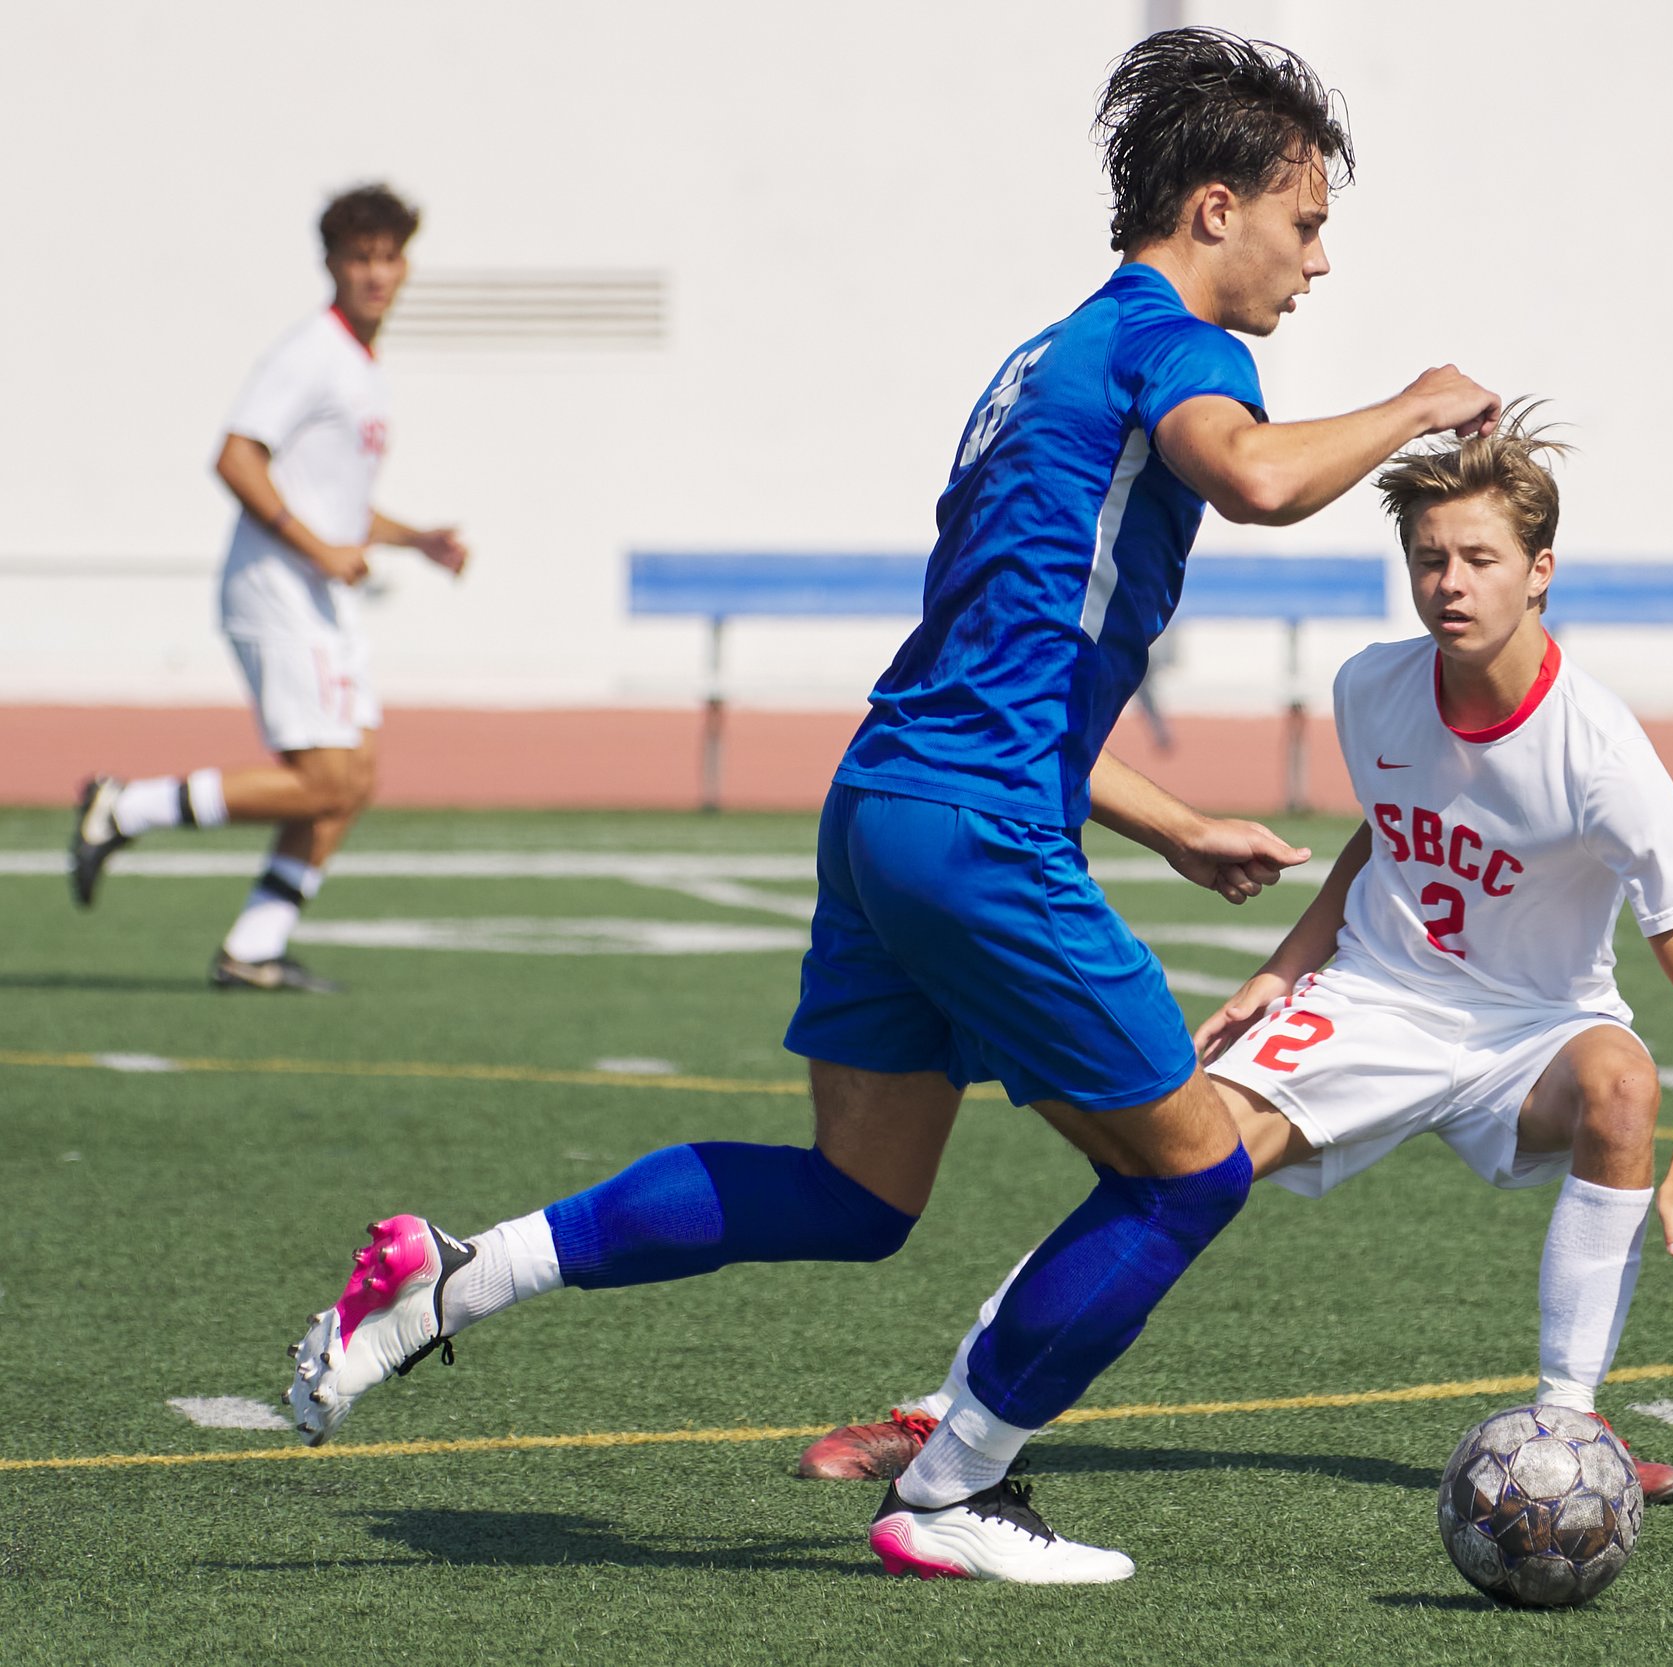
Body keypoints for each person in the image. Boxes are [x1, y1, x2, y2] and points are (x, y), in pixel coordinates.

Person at [276, 29, 1502, 1585]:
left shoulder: (1042, 358)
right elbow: (1253, 477)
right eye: (1305, 222)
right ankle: (957, 1483)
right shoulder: (1181, 349)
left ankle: (454, 1270)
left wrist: (1164, 820)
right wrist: (1412, 406)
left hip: (892, 801)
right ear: (1213, 208)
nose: (1316, 260)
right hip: (978, 826)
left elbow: (993, 649)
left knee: (860, 1192)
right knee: (1191, 1166)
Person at [802, 410, 1673, 1504]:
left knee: (1623, 1084)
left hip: (1532, 1030)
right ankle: (943, 1410)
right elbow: (1394, 828)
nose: (1450, 582)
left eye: (1480, 559)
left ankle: (1573, 1429)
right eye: (1428, 558)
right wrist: (1284, 966)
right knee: (1175, 1157)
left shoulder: (1603, 752)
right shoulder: (1374, 687)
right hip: (1377, 998)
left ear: (1538, 573)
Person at [68, 184, 469, 992]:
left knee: (354, 778)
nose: (377, 273)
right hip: (276, 591)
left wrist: (413, 538)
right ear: (331, 264)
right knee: (324, 777)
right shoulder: (310, 353)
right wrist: (319, 548)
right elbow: (235, 457)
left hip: (318, 592)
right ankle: (123, 807)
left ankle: (255, 944)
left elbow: (338, 501)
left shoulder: (362, 365)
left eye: (389, 257)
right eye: (361, 257)